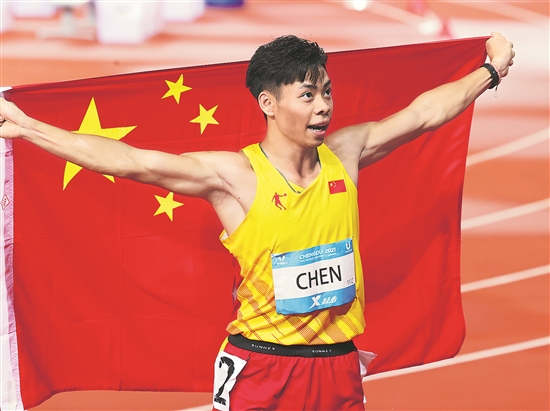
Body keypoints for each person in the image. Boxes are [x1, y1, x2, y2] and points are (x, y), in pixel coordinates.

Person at [0, 32, 514, 410]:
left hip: (337, 366)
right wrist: (28, 129)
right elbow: (134, 161)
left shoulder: (346, 152)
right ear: (269, 103)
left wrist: (489, 72)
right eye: (307, 95)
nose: (323, 107)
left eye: (326, 92)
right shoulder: (235, 177)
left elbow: (425, 113)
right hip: (262, 368)